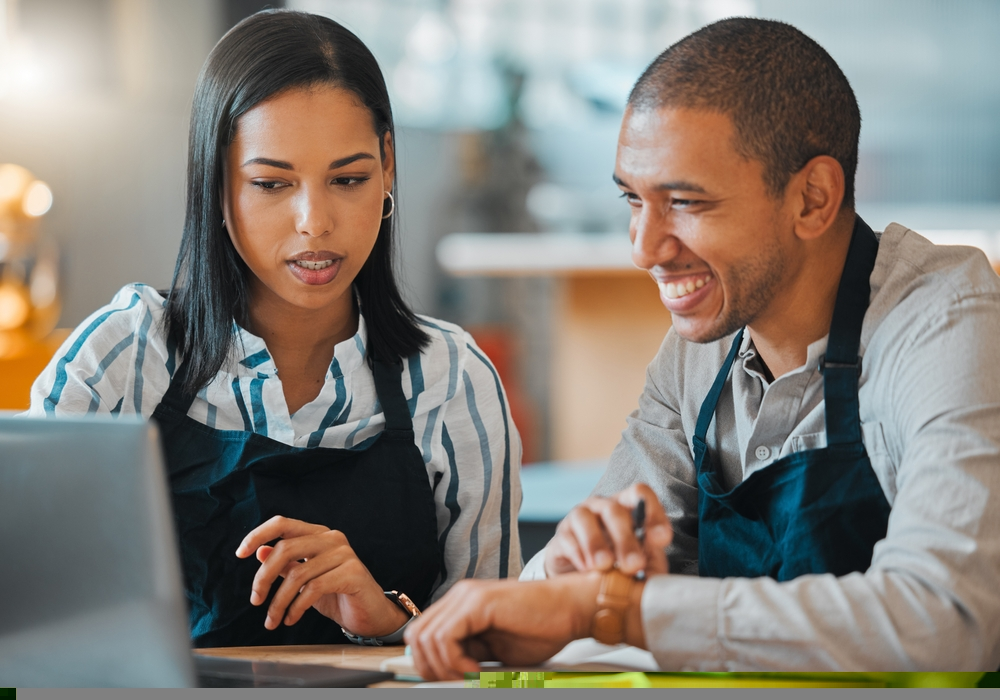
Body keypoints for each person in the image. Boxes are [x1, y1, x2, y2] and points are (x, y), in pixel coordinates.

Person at [405, 18, 1000, 677]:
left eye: (685, 202)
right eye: (633, 199)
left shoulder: (948, 321)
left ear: (813, 198)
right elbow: (575, 589)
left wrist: (614, 607)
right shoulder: (699, 350)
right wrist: (571, 568)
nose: (643, 247)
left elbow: (947, 617)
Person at [26, 10, 521, 648]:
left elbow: (498, 652)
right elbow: (25, 597)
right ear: (216, 183)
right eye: (270, 183)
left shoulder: (452, 379)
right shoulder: (123, 356)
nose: (314, 222)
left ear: (389, 165)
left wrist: (391, 619)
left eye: (348, 179)